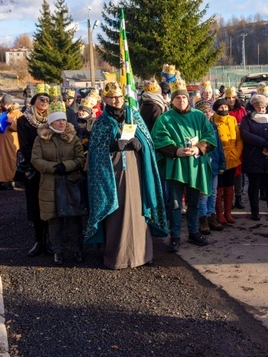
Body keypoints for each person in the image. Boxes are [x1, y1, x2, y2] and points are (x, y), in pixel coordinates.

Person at [86, 82, 168, 269]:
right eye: (112, 97)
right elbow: (94, 152)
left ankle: (143, 255)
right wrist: (113, 146)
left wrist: (141, 144)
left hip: (136, 171)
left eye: (119, 97)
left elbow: (149, 142)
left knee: (139, 211)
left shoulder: (134, 116)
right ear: (105, 100)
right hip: (112, 175)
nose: (116, 100)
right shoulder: (101, 122)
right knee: (117, 214)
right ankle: (117, 257)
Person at [151, 77, 217, 252]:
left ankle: (194, 232)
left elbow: (210, 136)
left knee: (194, 202)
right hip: (176, 166)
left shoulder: (199, 116)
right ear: (172, 100)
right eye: (178, 98)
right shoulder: (165, 119)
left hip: (196, 165)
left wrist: (198, 149)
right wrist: (175, 151)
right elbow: (158, 138)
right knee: (174, 203)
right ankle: (175, 236)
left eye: (184, 98)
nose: (181, 101)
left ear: (189, 99)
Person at [31, 100, 86, 265]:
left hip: (71, 183)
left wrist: (67, 166)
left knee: (74, 219)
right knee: (54, 220)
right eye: (58, 120)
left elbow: (80, 158)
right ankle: (58, 252)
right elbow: (35, 160)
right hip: (50, 184)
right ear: (50, 122)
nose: (62, 123)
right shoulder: (41, 139)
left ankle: (78, 250)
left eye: (63, 120)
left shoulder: (73, 137)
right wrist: (54, 168)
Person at [17, 84, 51, 256]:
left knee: (52, 205)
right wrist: (39, 163)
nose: (44, 102)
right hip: (35, 169)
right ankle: (39, 240)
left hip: (51, 168)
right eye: (41, 99)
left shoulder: (54, 119)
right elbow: (25, 147)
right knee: (36, 206)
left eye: (47, 99)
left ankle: (52, 240)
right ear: (34, 100)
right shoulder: (24, 120)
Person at [240, 93, 268, 221]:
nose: (261, 109)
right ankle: (254, 210)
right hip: (253, 156)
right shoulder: (247, 119)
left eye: (263, 106)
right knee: (254, 185)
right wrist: (264, 143)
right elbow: (245, 134)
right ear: (253, 107)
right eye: (258, 107)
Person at [195, 100, 226, 233]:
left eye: (209, 111)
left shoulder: (213, 126)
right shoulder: (196, 127)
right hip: (202, 164)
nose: (207, 114)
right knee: (203, 193)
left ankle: (211, 216)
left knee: (213, 192)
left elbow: (219, 146)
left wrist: (222, 162)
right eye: (204, 111)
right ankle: (203, 218)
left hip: (214, 163)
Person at [211, 98, 244, 224]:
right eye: (221, 107)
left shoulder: (232, 119)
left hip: (232, 157)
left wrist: (236, 153)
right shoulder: (212, 120)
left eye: (225, 107)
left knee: (229, 186)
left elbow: (239, 139)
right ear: (216, 109)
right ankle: (219, 213)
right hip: (219, 158)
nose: (224, 109)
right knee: (218, 187)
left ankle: (228, 212)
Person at [0, 94, 23, 191]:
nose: (5, 106)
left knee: (9, 162)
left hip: (10, 143)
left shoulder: (18, 113)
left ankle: (9, 181)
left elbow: (21, 128)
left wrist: (12, 122)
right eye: (4, 104)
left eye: (7, 104)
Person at [224, 87, 247, 209]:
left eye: (233, 97)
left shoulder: (242, 110)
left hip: (239, 144)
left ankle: (238, 197)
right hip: (227, 146)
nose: (230, 100)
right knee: (228, 173)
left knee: (239, 173)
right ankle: (228, 199)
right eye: (228, 98)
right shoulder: (223, 111)